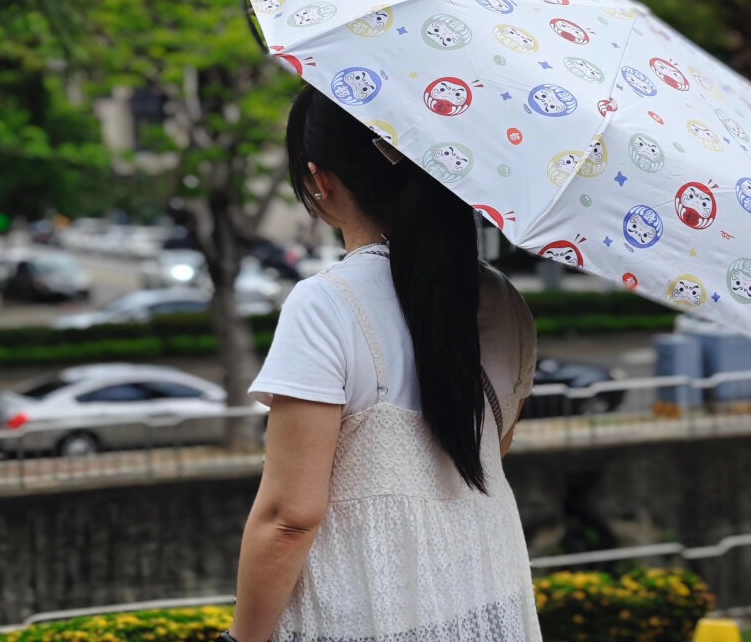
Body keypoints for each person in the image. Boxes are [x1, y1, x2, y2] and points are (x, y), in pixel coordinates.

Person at [223, 84, 541, 642]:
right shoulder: (504, 301)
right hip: (484, 602)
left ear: (321, 181)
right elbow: (492, 448)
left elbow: (289, 518)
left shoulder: (326, 304)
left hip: (364, 614)